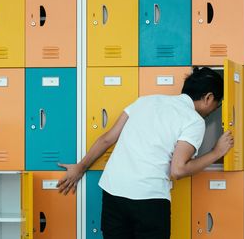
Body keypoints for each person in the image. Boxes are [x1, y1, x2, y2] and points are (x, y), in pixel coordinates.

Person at [57, 67, 234, 239]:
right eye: (216, 107)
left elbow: (107, 139)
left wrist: (80, 167)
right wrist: (215, 152)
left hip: (113, 192)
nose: (213, 112)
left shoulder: (144, 101)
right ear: (209, 98)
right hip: (149, 199)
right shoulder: (193, 120)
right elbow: (178, 170)